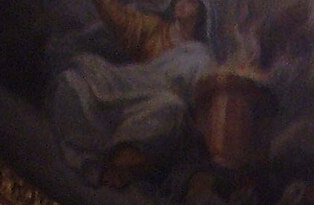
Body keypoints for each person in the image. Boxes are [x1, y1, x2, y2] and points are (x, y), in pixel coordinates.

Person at [50, 0, 216, 190]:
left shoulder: (201, 57)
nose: (181, 4)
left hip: (154, 105)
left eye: (190, 2)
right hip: (126, 84)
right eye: (180, 0)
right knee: (74, 81)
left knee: (171, 107)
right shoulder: (155, 29)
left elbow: (199, 102)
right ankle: (86, 157)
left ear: (201, 12)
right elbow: (123, 22)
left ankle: (117, 167)